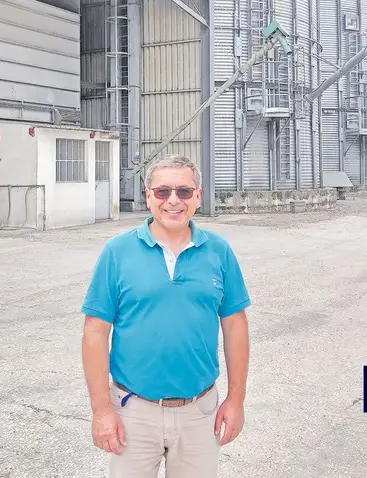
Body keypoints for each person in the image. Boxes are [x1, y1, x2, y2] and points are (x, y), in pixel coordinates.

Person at [80, 154, 252, 478]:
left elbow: (234, 326)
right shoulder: (117, 252)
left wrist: (236, 400)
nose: (173, 201)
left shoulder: (219, 251)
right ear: (148, 197)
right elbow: (95, 332)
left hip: (199, 412)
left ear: (198, 197)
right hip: (134, 410)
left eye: (184, 192)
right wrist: (101, 410)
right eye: (162, 192)